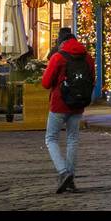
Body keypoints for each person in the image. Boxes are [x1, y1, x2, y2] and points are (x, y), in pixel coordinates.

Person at [40, 28, 94, 194]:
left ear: (61, 43)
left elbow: (46, 83)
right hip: (78, 104)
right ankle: (70, 178)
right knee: (73, 139)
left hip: (59, 105)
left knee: (51, 138)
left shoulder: (58, 57)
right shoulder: (87, 57)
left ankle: (63, 172)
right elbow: (92, 80)